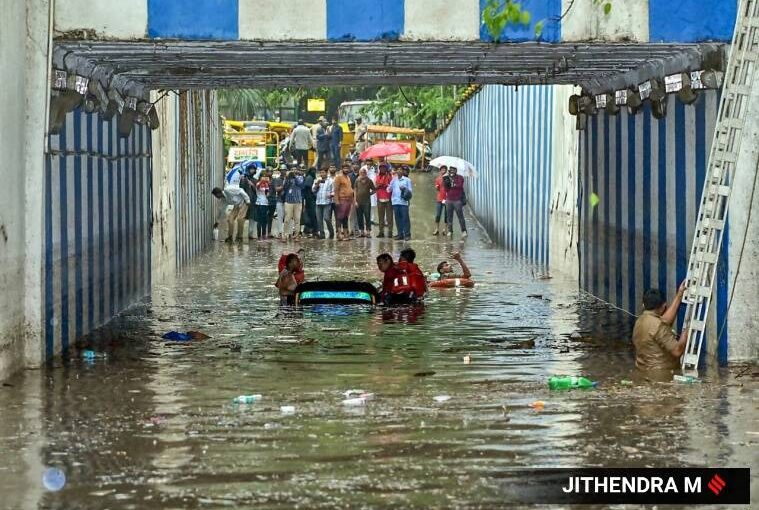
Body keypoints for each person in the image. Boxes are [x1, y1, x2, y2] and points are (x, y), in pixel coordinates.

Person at [632, 283, 688, 371]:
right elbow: (677, 351)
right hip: (661, 373)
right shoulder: (658, 325)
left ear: (643, 305)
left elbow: (664, 322)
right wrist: (686, 333)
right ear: (663, 307)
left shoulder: (640, 320)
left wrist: (679, 295)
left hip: (642, 369)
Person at [388, 167, 413, 240]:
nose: (399, 171)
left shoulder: (407, 180)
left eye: (400, 170)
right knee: (397, 219)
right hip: (395, 202)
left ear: (403, 171)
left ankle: (407, 234)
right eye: (397, 170)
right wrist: (389, 186)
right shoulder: (394, 180)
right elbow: (389, 190)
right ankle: (400, 234)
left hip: (403, 202)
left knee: (405, 218)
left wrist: (404, 189)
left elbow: (410, 192)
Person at [444, 166, 467, 238]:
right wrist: (446, 180)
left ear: (456, 170)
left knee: (460, 216)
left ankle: (464, 231)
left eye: (454, 169)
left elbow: (460, 186)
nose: (452, 171)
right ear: (449, 170)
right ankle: (450, 231)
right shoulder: (446, 178)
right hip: (449, 200)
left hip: (457, 200)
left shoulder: (460, 177)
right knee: (449, 217)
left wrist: (453, 183)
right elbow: (446, 188)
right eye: (451, 169)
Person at [333, 164, 354, 240]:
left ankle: (345, 234)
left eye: (347, 168)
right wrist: (336, 200)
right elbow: (336, 189)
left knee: (345, 217)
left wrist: (352, 200)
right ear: (342, 169)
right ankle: (339, 234)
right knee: (340, 217)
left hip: (348, 200)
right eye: (344, 168)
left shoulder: (348, 177)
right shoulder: (339, 177)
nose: (346, 170)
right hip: (341, 199)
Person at [282, 168, 305, 240]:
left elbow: (301, 186)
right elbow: (285, 187)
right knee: (287, 219)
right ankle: (285, 234)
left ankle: (296, 235)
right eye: (292, 170)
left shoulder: (300, 177)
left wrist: (295, 177)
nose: (293, 171)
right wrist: (287, 178)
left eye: (295, 170)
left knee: (297, 219)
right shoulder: (287, 178)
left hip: (298, 201)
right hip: (288, 201)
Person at [313, 167, 335, 239]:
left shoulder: (331, 181)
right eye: (321, 172)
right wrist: (317, 184)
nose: (322, 174)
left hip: (327, 202)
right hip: (318, 202)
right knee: (319, 219)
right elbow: (313, 190)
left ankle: (331, 232)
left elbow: (334, 191)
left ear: (326, 173)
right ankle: (322, 234)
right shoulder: (317, 180)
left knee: (326, 218)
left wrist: (331, 195)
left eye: (323, 172)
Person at [354, 166, 376, 237]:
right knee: (359, 217)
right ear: (359, 173)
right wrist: (355, 201)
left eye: (364, 172)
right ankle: (362, 232)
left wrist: (369, 194)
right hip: (358, 202)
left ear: (366, 173)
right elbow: (354, 190)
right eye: (361, 172)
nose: (362, 174)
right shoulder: (357, 180)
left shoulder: (369, 181)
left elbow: (374, 190)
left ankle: (368, 232)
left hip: (367, 202)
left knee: (367, 216)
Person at [374, 163, 393, 238]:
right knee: (380, 216)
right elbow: (377, 185)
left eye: (384, 168)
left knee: (389, 217)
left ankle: (390, 232)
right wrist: (380, 185)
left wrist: (386, 183)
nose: (382, 169)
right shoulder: (377, 176)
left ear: (386, 169)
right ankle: (381, 232)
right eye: (381, 168)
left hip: (388, 198)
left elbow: (391, 185)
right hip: (380, 198)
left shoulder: (389, 176)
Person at [253, 171, 272, 239]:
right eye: (262, 176)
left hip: (265, 203)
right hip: (259, 203)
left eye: (265, 176)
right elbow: (257, 187)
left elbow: (267, 193)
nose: (264, 178)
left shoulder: (266, 185)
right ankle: (259, 235)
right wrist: (262, 181)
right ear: (260, 177)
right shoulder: (258, 183)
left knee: (264, 220)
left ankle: (264, 234)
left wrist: (268, 194)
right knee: (259, 220)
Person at [268, 166, 285, 238]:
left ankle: (287, 233)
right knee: (278, 217)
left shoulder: (288, 179)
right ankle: (278, 232)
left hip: (284, 200)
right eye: (282, 170)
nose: (283, 171)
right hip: (277, 199)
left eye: (284, 170)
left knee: (288, 218)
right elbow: (276, 189)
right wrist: (284, 185)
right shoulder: (277, 179)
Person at [302, 166, 318, 237]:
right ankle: (313, 230)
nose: (314, 172)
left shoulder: (310, 177)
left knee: (311, 215)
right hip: (310, 200)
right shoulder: (309, 178)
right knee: (312, 215)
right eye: (313, 170)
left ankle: (309, 230)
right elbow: (308, 188)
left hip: (310, 200)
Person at [433, 166, 448, 235]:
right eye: (442, 170)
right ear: (440, 171)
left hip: (447, 199)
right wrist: (437, 187)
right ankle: (437, 229)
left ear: (446, 171)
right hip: (439, 199)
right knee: (438, 214)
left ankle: (445, 229)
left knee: (446, 215)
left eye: (445, 170)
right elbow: (437, 188)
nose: (443, 171)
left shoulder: (449, 179)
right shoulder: (438, 179)